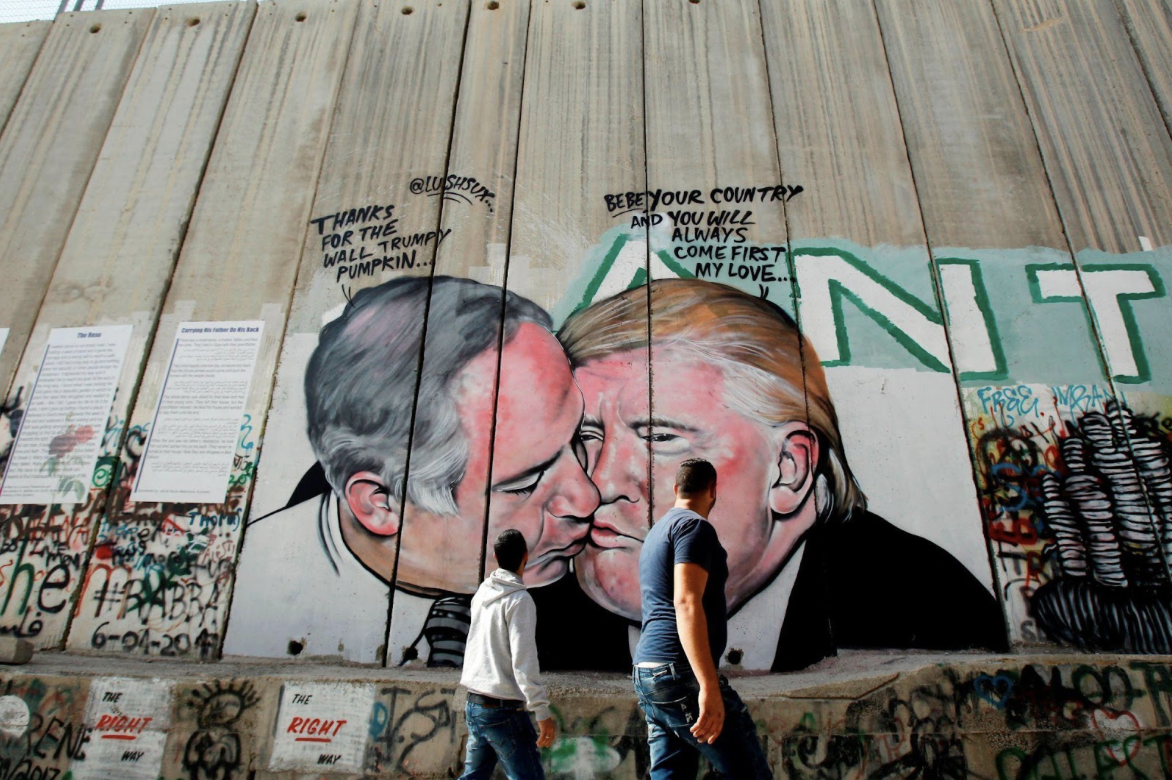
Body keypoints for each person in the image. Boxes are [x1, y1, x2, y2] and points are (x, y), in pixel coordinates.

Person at [540, 278, 1006, 672]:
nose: (597, 484)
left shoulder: (926, 608)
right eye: (584, 436)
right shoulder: (539, 608)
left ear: (788, 469)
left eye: (661, 437)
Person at [225, 276, 599, 664]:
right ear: (379, 504)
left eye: (580, 439)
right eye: (525, 483)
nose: (587, 498)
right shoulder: (251, 610)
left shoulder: (594, 596)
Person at [632, 459, 772, 779]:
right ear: (713, 490)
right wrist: (707, 686)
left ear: (676, 489)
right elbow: (686, 601)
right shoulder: (694, 528)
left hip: (648, 674)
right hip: (679, 674)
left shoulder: (657, 532)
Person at [460, 529, 555, 780]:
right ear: (526, 555)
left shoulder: (482, 593)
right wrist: (541, 711)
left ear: (495, 556)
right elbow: (524, 661)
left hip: (475, 704)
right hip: (503, 711)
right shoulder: (520, 601)